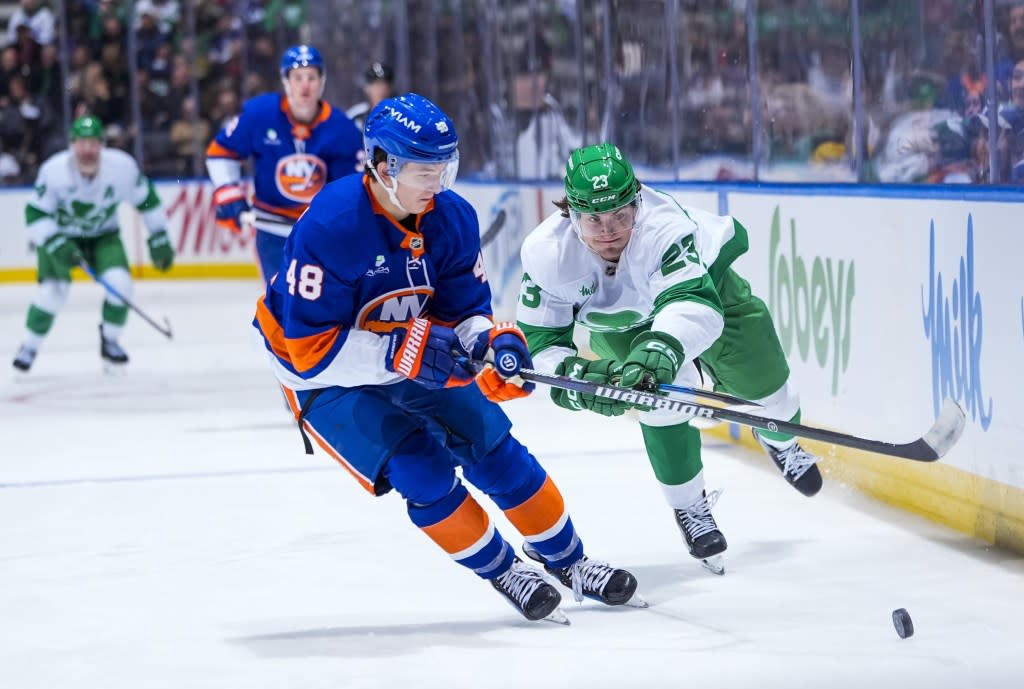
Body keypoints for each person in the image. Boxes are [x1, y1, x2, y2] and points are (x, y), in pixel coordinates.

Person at [251, 94, 641, 622]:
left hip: (407, 352)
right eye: (424, 170)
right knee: (422, 471)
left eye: (445, 167)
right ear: (384, 165)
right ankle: (505, 571)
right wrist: (405, 350)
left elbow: (464, 315)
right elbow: (308, 352)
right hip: (325, 376)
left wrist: (491, 343)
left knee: (495, 447)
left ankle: (571, 562)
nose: (438, 183)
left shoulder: (451, 217)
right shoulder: (331, 225)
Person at [516, 143, 823, 575]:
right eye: (594, 219)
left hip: (707, 288)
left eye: (620, 215)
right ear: (571, 214)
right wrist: (576, 381)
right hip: (621, 326)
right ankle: (690, 507)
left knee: (765, 385)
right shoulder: (547, 254)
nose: (609, 231)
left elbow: (694, 306)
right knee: (655, 398)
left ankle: (781, 439)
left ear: (637, 201)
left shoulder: (663, 227)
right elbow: (539, 344)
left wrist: (661, 347)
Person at [11, 115, 175, 373]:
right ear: (72, 144)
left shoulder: (122, 168)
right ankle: (29, 346)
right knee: (53, 293)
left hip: (103, 236)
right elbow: (35, 213)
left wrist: (159, 236)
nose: (87, 150)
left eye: (93, 143)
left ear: (102, 144)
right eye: (82, 143)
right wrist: (55, 243)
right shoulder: (54, 171)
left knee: (121, 285)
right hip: (61, 236)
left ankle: (110, 341)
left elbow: (147, 200)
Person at [205, 44, 362, 282]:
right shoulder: (260, 114)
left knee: (321, 303)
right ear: (286, 81)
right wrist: (230, 195)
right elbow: (221, 152)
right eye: (298, 77)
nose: (305, 85)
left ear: (322, 81)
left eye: (311, 77)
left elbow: (351, 189)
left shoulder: (342, 129)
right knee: (281, 302)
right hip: (272, 230)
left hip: (319, 230)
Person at [344, 61, 395, 131]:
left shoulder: (401, 118)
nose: (381, 90)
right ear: (367, 88)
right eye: (377, 85)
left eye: (385, 85)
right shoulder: (356, 115)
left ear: (391, 88)